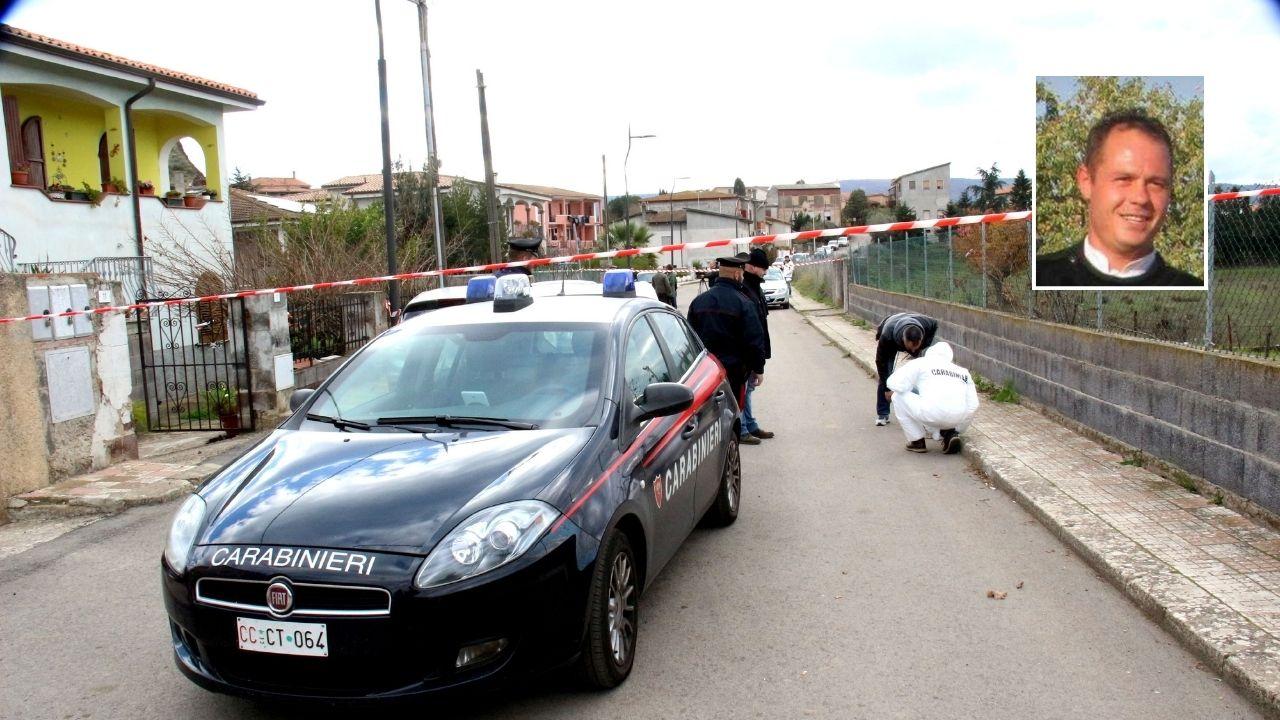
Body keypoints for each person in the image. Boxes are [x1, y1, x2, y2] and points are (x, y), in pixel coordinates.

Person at [1036, 110, 1201, 287]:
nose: (1141, 198)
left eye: (1155, 183)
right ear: (1086, 182)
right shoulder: (1040, 276)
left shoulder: (1189, 286)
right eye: (1124, 179)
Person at [687, 255, 767, 444]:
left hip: (706, 373)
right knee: (732, 413)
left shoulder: (698, 302)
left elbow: (690, 340)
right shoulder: (744, 303)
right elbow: (754, 341)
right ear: (737, 274)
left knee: (709, 414)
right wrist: (758, 369)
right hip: (735, 372)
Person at [885, 342, 979, 454]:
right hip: (957, 418)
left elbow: (894, 383)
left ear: (929, 353)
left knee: (897, 396)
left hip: (931, 414)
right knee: (938, 405)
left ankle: (917, 441)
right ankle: (949, 432)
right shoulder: (963, 372)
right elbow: (974, 405)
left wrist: (911, 388)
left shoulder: (921, 363)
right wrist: (959, 428)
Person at [874, 312, 938, 426]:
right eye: (910, 347)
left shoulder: (927, 324)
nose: (913, 351)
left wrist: (923, 346)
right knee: (886, 375)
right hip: (891, 332)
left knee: (920, 376)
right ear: (904, 340)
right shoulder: (887, 336)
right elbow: (880, 363)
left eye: (916, 346)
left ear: (921, 338)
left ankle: (921, 412)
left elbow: (935, 324)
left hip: (909, 320)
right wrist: (887, 389)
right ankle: (882, 414)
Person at [737, 249, 774, 442]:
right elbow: (752, 328)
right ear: (750, 267)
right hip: (748, 352)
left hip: (755, 350)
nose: (765, 272)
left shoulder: (755, 288)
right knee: (745, 390)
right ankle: (743, 429)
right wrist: (756, 359)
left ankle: (749, 425)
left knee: (749, 389)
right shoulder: (746, 289)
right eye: (762, 268)